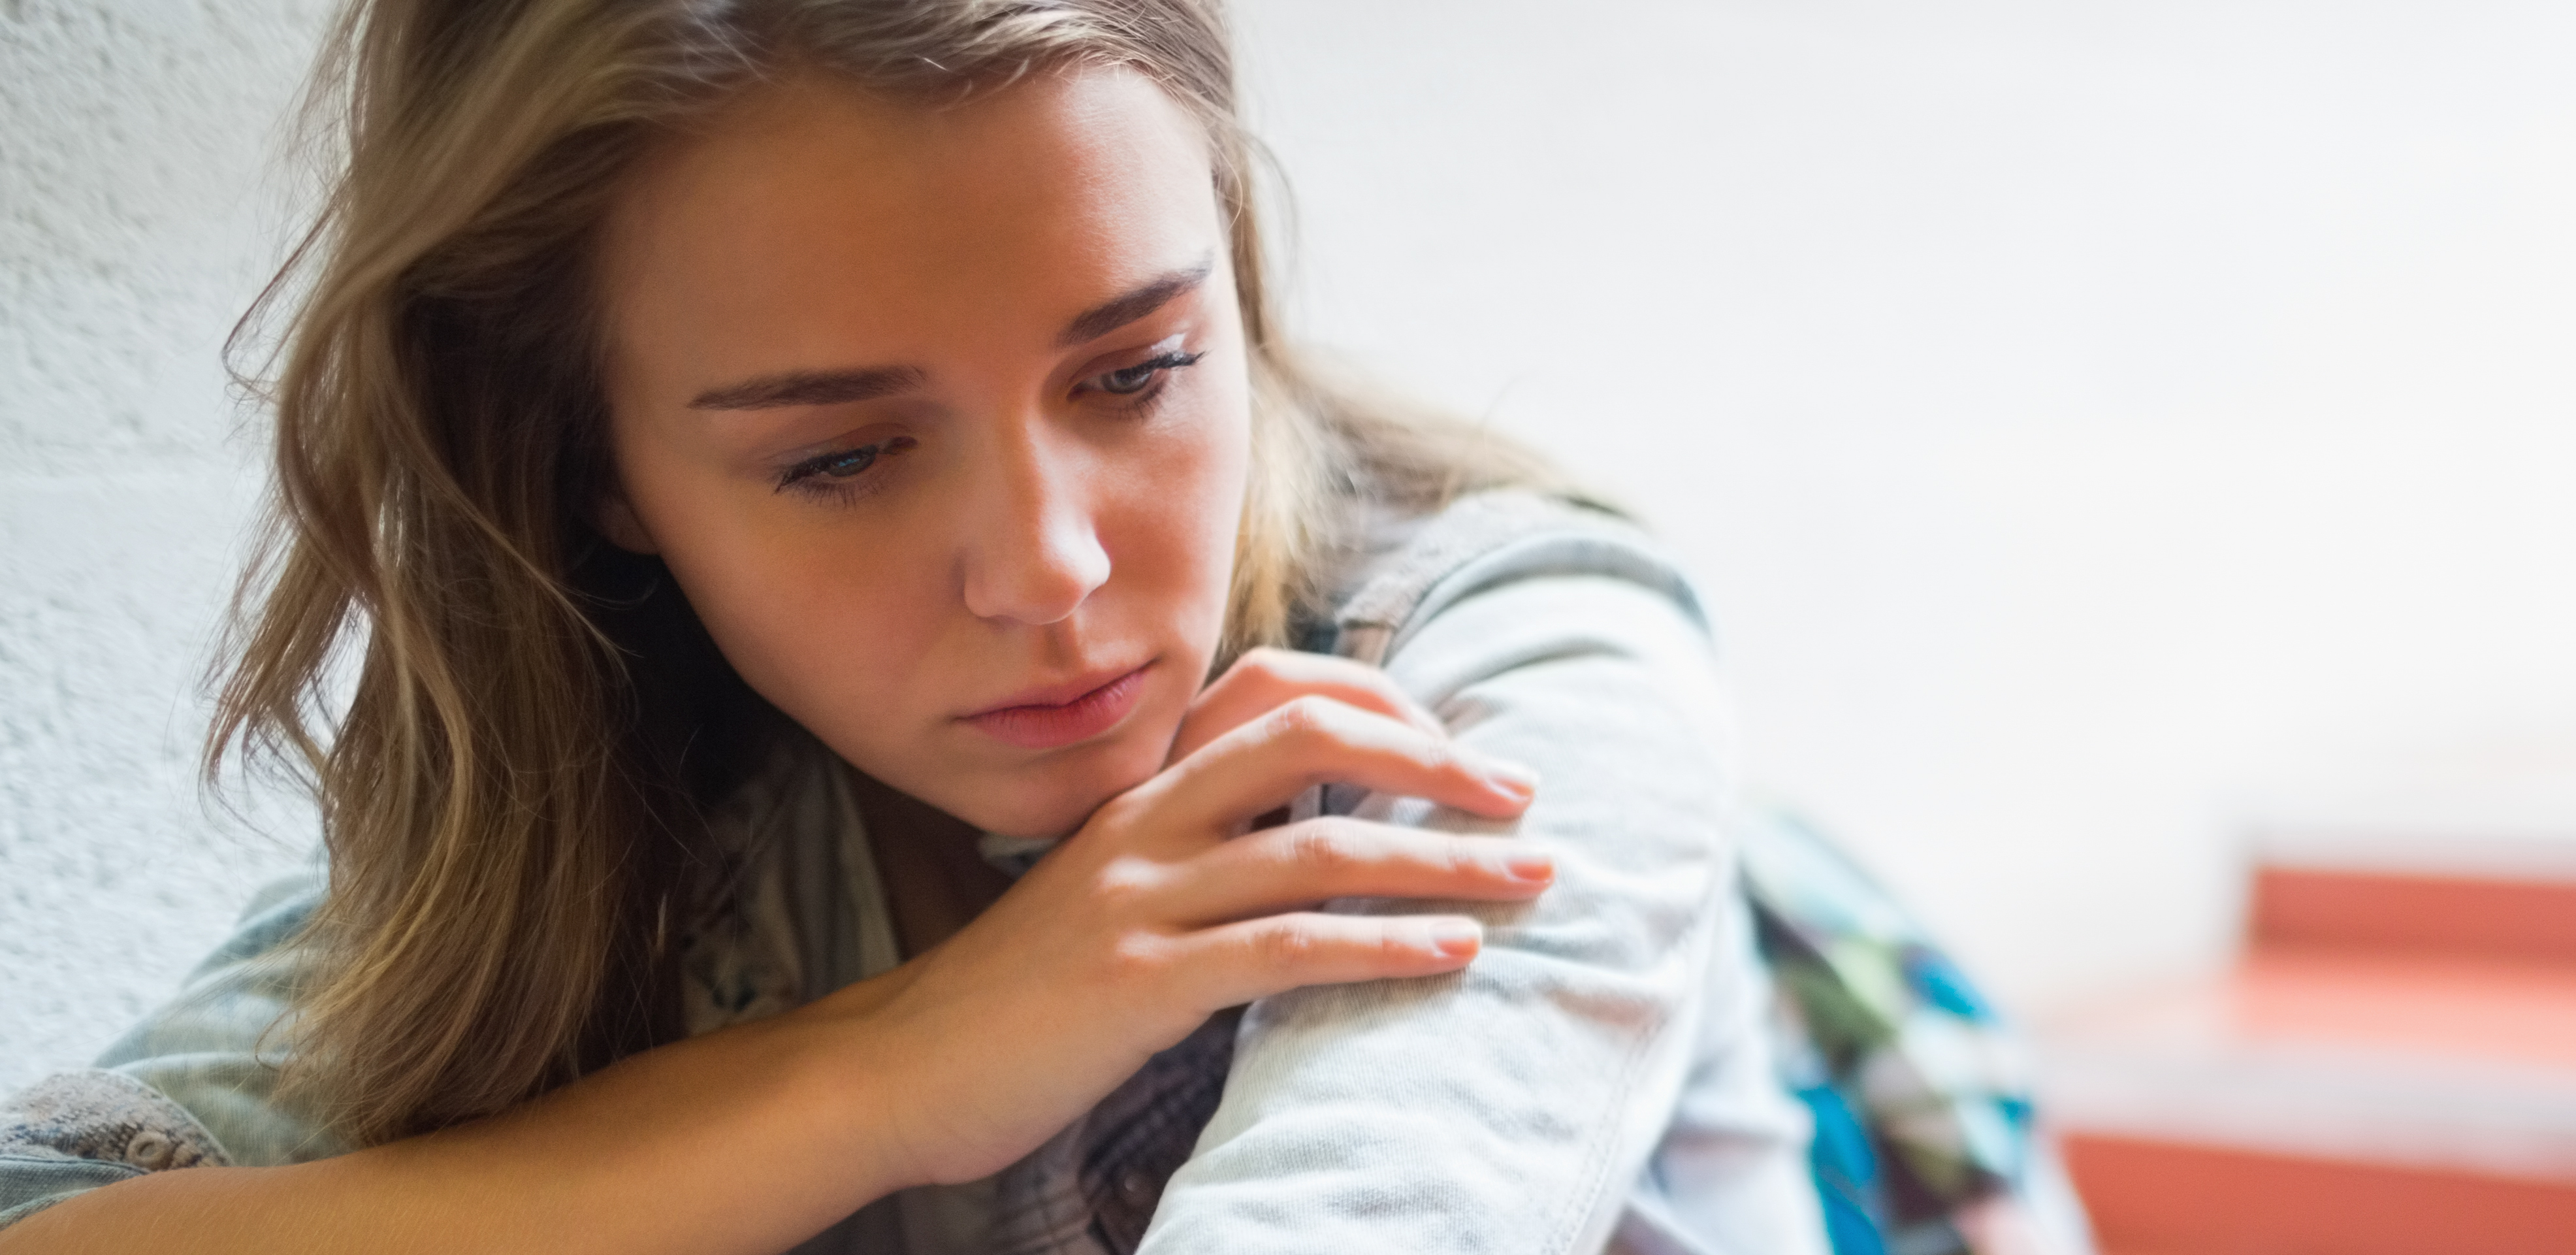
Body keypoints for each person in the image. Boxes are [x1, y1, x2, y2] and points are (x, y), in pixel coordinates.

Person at [0, 1, 2084, 1251]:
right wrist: (896, 1071)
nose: (1054, 569)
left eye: (1137, 370)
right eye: (844, 456)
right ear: (585, 467)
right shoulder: (628, 801)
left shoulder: (1510, 664)